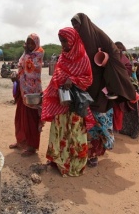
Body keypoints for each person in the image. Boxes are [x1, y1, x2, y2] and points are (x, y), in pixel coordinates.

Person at [71, 13, 137, 167]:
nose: (75, 28)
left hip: (100, 87)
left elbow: (115, 52)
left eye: (77, 25)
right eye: (73, 26)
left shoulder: (100, 36)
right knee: (84, 120)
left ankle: (95, 153)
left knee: (98, 119)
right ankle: (86, 152)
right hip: (84, 86)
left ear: (85, 24)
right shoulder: (78, 40)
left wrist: (105, 61)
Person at [41, 27, 94, 177]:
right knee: (59, 132)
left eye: (65, 41)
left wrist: (74, 80)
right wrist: (49, 92)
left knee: (75, 134)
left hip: (76, 104)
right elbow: (56, 77)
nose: (63, 44)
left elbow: (88, 79)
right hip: (61, 102)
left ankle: (75, 164)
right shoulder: (63, 57)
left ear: (73, 40)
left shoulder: (83, 58)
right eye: (61, 41)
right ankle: (58, 162)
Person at [9, 33, 44, 157]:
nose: (29, 45)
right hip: (23, 91)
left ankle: (32, 147)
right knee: (20, 118)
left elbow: (31, 69)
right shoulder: (26, 54)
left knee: (31, 121)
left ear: (36, 44)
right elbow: (20, 66)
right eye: (27, 42)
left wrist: (26, 54)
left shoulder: (38, 55)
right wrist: (15, 76)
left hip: (32, 93)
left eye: (31, 43)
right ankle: (21, 141)